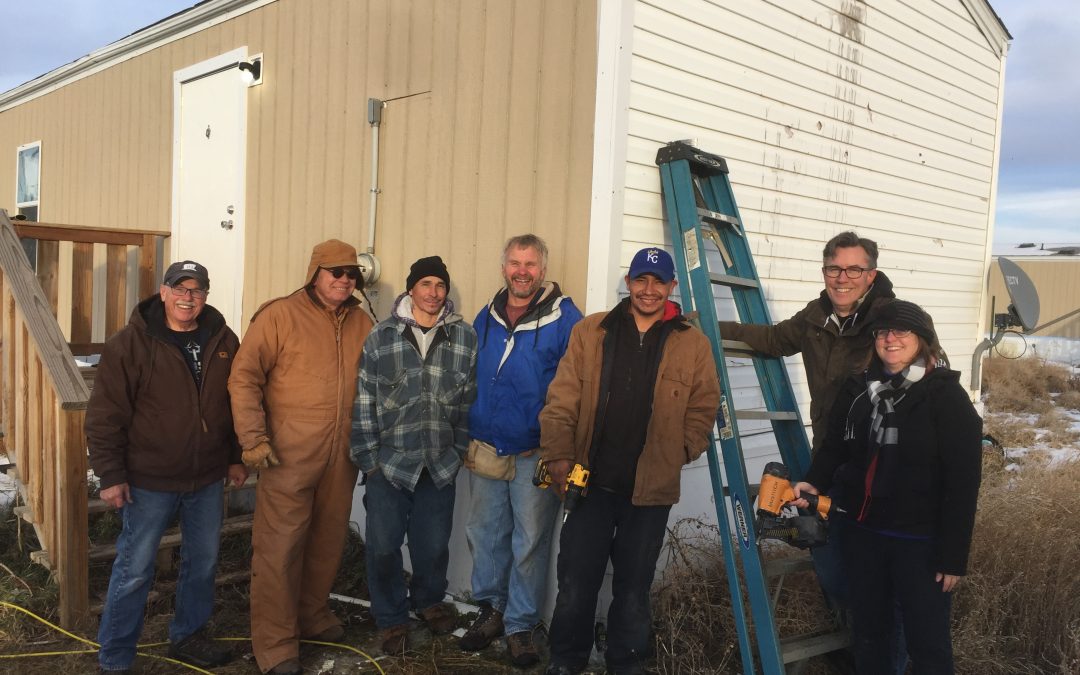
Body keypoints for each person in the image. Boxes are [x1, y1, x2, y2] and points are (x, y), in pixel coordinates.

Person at [539, 247, 721, 675]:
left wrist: (680, 451)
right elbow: (562, 397)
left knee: (634, 589)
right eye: (641, 279)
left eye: (659, 282)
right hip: (590, 484)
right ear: (629, 282)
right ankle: (566, 660)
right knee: (575, 585)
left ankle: (627, 663)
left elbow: (704, 406)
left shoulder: (692, 344)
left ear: (672, 286)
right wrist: (559, 455)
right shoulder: (592, 331)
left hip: (649, 491)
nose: (649, 290)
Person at [793, 300, 982, 674]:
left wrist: (953, 556)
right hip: (864, 534)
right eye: (882, 332)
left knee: (927, 644)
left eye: (901, 331)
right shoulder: (859, 390)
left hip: (921, 545)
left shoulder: (944, 396)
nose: (889, 339)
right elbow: (835, 447)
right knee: (870, 635)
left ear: (922, 340)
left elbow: (963, 482)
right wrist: (814, 481)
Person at [87, 260, 246, 674]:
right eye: (180, 288)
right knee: (135, 568)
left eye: (196, 290)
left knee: (204, 562)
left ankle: (188, 636)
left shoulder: (224, 338)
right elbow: (106, 414)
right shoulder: (130, 344)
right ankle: (116, 656)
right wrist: (111, 474)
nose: (187, 297)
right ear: (163, 291)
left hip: (208, 476)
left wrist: (236, 456)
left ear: (206, 295)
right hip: (149, 480)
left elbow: (235, 403)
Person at [228, 240, 374, 675]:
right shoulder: (279, 316)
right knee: (280, 548)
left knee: (327, 541)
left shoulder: (362, 322)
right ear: (315, 273)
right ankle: (274, 645)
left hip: (341, 454)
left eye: (351, 275)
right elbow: (244, 377)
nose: (344, 280)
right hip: (287, 454)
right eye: (336, 272)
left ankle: (311, 614)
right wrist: (252, 436)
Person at [459, 235, 583, 667]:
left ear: (543, 270)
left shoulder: (566, 318)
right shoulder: (487, 315)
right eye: (515, 262)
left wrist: (565, 448)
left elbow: (577, 384)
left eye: (530, 263)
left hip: (537, 453)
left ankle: (521, 625)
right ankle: (491, 610)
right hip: (488, 446)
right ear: (504, 267)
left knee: (530, 541)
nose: (522, 271)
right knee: (486, 535)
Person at [350, 255, 478, 655]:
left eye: (440, 286)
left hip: (439, 463)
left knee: (433, 544)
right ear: (411, 290)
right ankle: (390, 617)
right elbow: (365, 398)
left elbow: (468, 401)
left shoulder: (465, 338)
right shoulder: (382, 337)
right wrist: (369, 459)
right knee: (383, 546)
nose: (433, 293)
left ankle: (428, 601)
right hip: (389, 463)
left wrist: (457, 450)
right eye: (425, 285)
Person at [718, 231, 895, 453]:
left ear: (871, 275)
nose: (842, 278)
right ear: (824, 273)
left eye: (854, 270)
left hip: (876, 457)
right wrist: (711, 327)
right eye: (834, 269)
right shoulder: (815, 315)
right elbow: (774, 339)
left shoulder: (895, 320)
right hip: (826, 450)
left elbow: (930, 384)